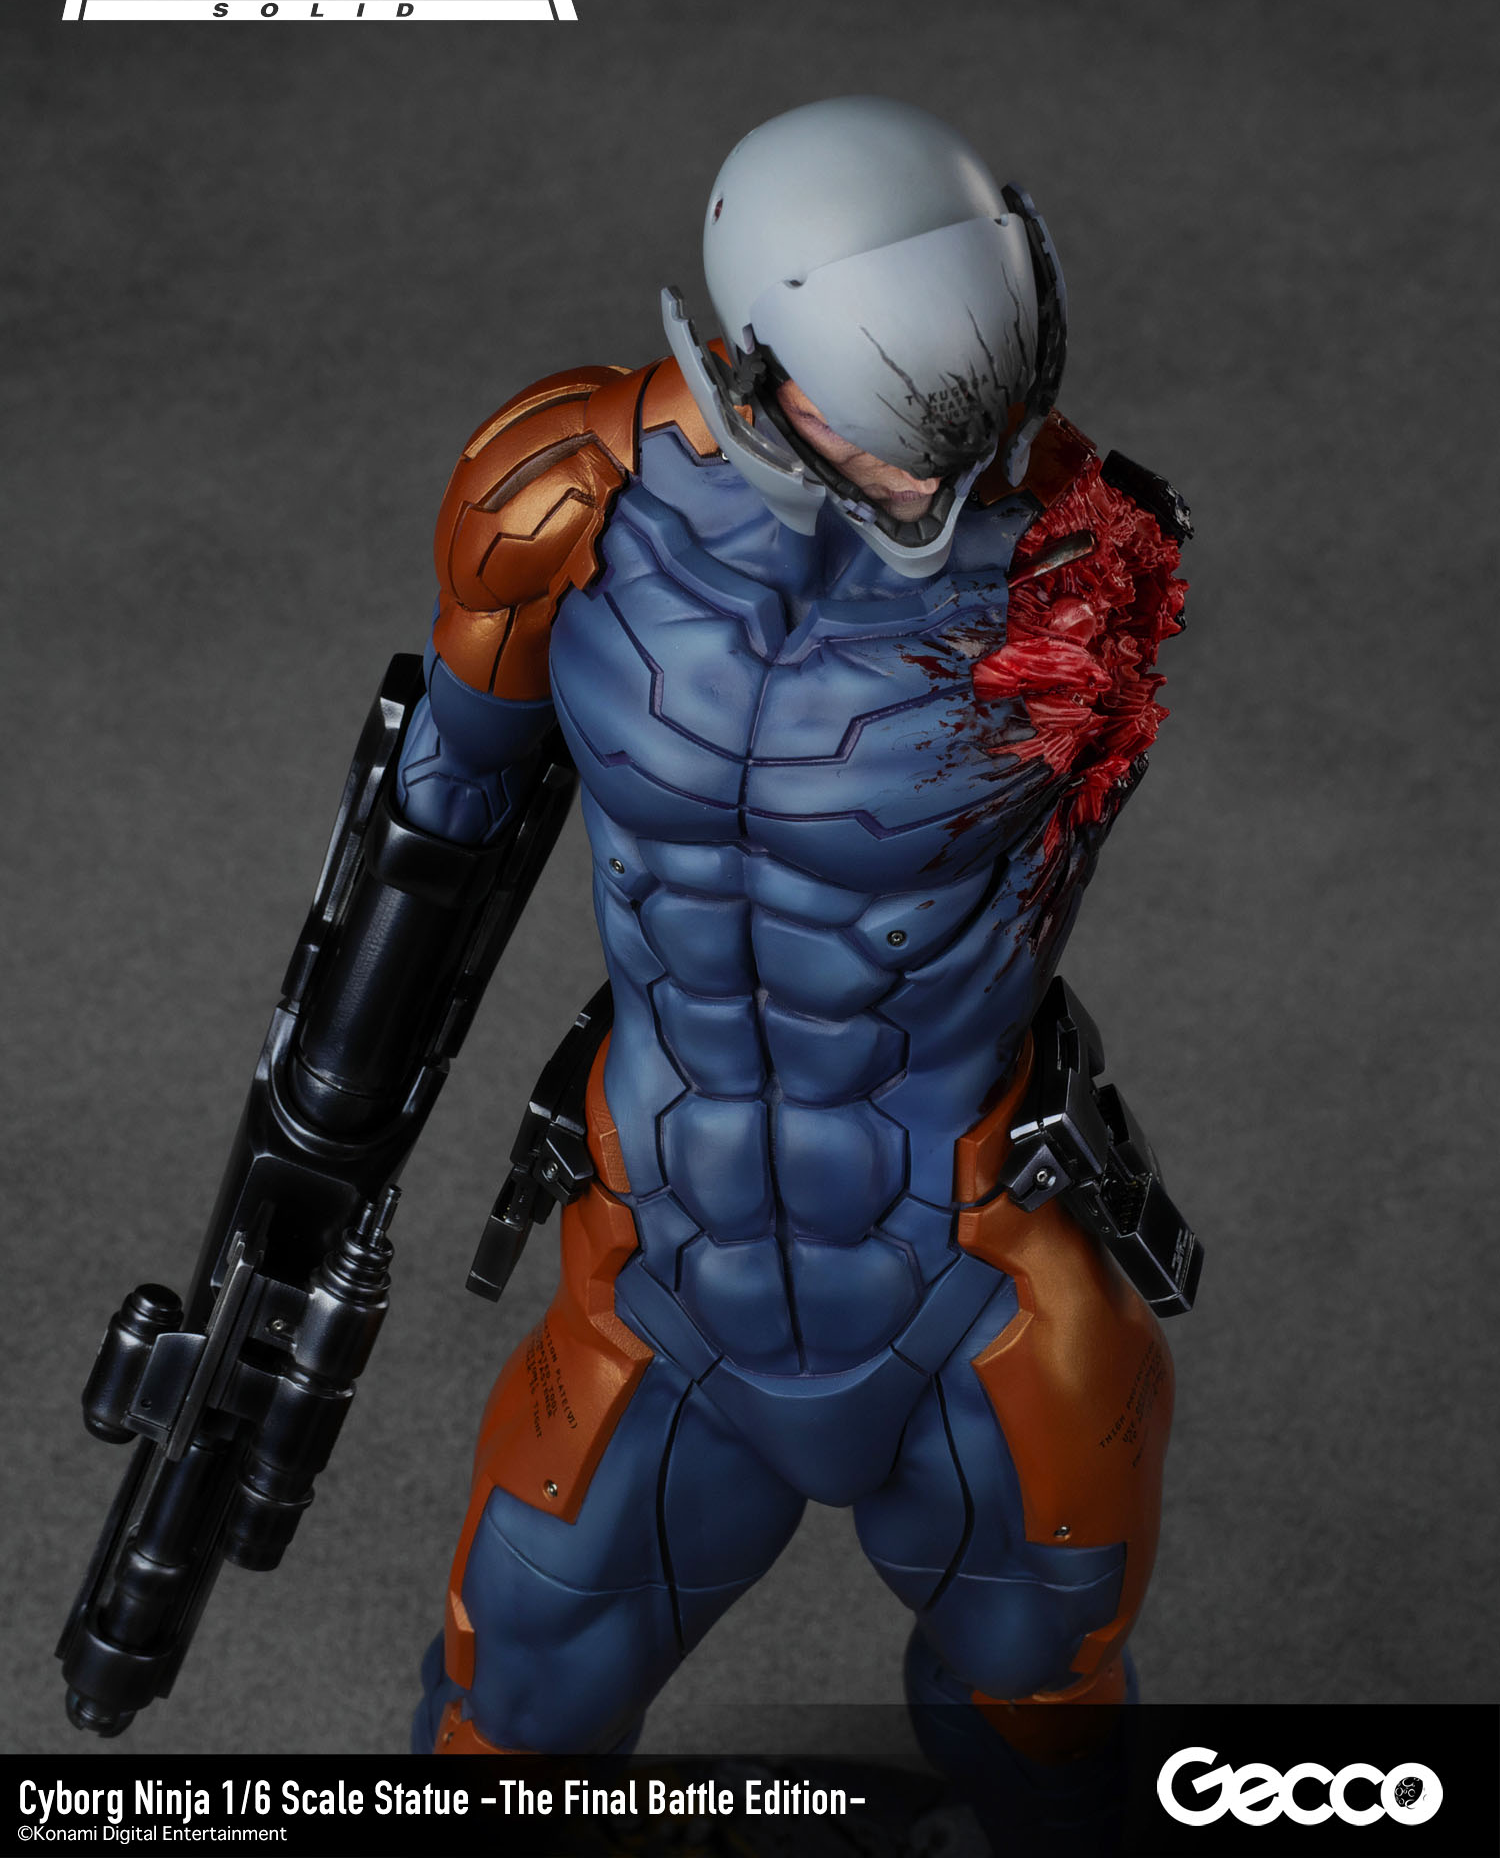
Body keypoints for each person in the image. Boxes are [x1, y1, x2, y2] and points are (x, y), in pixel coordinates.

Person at [391, 96, 1194, 1760]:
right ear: (753, 369)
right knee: (503, 1710)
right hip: (662, 1268)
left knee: (1044, 1728)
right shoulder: (565, 495)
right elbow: (437, 817)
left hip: (967, 1282)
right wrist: (326, 1140)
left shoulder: (1080, 569)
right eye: (886, 420)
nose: (943, 470)